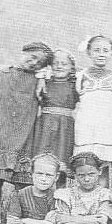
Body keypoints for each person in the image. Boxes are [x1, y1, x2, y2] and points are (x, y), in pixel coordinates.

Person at [0, 41, 54, 224]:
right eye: (32, 57)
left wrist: (42, 75)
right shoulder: (2, 75)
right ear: (24, 52)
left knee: (22, 185)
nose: (33, 63)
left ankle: (18, 222)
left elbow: (61, 73)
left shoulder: (38, 80)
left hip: (24, 139)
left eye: (39, 62)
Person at [73, 35, 112, 183]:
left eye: (105, 50)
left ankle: (103, 195)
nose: (101, 54)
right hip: (86, 130)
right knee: (86, 167)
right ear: (89, 53)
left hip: (108, 129)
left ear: (111, 53)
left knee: (104, 168)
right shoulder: (80, 76)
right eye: (96, 50)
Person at [33, 49, 80, 182]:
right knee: (42, 159)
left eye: (64, 64)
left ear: (72, 67)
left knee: (62, 161)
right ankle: (40, 188)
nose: (59, 66)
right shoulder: (44, 83)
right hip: (45, 126)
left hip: (65, 128)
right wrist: (41, 76)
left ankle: (60, 190)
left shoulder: (75, 85)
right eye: (55, 63)